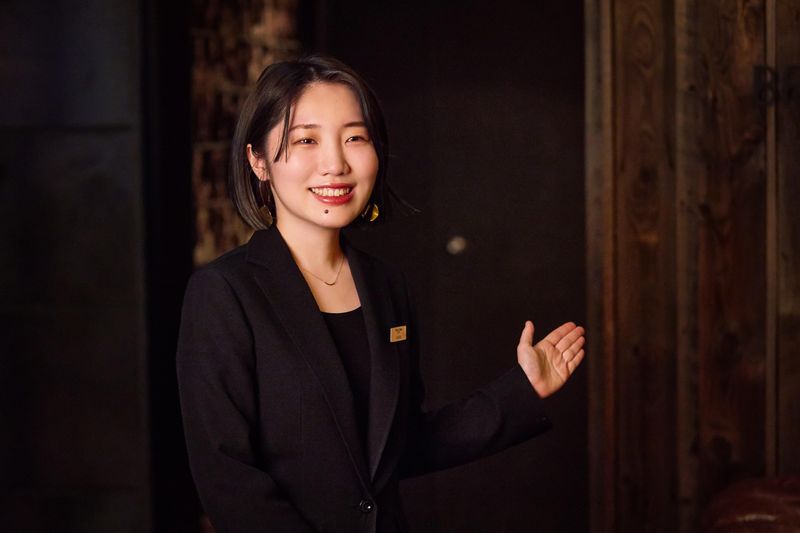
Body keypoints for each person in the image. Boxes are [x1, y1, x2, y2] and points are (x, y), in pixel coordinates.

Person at [176, 55, 585, 533]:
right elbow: (227, 479)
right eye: (306, 140)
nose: (336, 164)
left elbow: (399, 446)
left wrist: (521, 392)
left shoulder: (385, 286)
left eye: (355, 138)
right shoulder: (225, 293)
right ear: (258, 161)